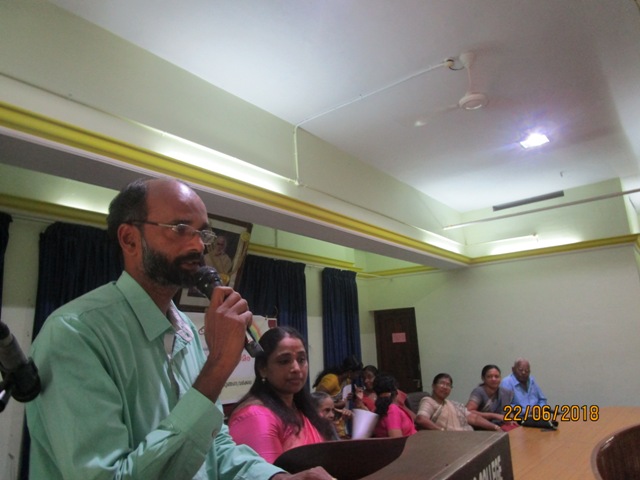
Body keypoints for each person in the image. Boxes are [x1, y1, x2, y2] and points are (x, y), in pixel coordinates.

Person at [25, 178, 331, 479]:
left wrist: (276, 478)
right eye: (181, 228)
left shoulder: (185, 329)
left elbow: (214, 447)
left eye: (203, 233)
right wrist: (218, 366)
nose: (198, 245)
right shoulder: (76, 334)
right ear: (130, 239)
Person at [228, 326, 336, 462]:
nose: (296, 368)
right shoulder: (255, 416)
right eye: (284, 361)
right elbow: (267, 472)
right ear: (263, 368)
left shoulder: (300, 408)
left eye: (301, 359)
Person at [415, 373, 502, 432]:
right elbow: (421, 419)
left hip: (465, 436)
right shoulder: (428, 401)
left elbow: (474, 418)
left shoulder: (454, 404)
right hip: (448, 440)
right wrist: (442, 432)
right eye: (442, 383)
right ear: (433, 386)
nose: (445, 387)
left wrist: (495, 427)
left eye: (448, 385)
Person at [371, 373, 417, 438]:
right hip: (409, 443)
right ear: (395, 392)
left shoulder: (376, 409)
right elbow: (396, 439)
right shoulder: (392, 410)